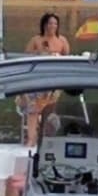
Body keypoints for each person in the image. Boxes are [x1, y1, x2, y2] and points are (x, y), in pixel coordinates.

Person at [21, 12, 71, 147]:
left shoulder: (62, 41)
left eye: (55, 23)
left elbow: (67, 59)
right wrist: (40, 52)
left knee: (49, 111)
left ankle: (46, 138)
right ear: (44, 24)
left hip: (54, 79)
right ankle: (31, 138)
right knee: (33, 110)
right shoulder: (36, 40)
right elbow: (25, 57)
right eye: (50, 23)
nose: (52, 26)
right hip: (37, 79)